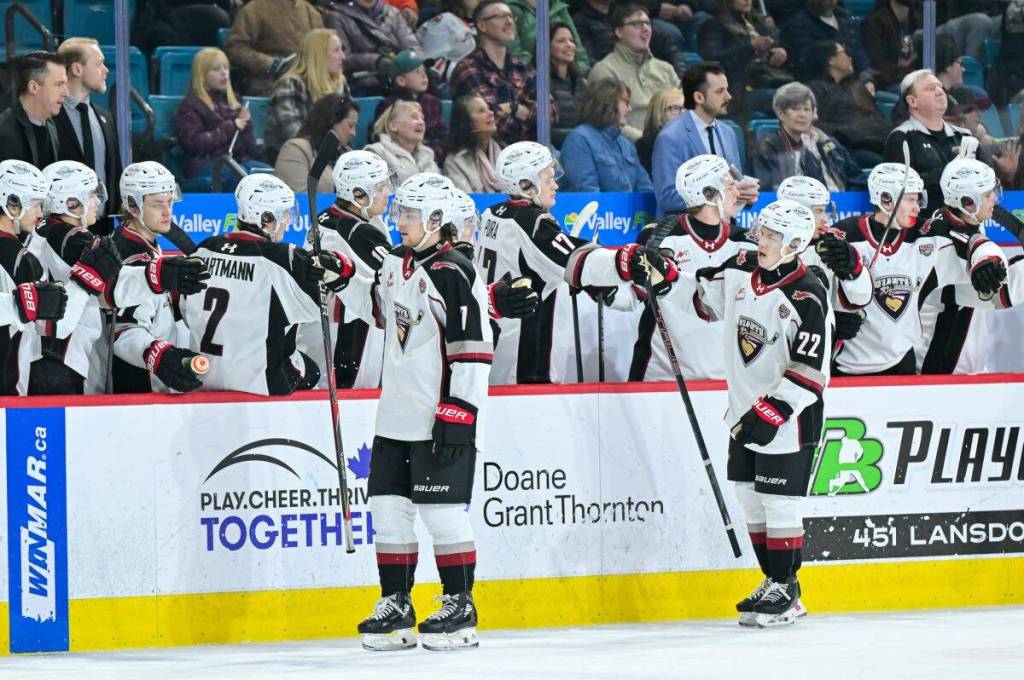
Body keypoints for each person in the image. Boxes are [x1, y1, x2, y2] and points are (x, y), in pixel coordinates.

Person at [631, 199, 829, 627]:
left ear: (795, 244)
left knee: (779, 503)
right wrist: (667, 277)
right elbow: (702, 299)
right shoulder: (741, 266)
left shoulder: (808, 294)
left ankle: (787, 589)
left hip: (788, 421)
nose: (762, 241)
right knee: (749, 497)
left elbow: (812, 369)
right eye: (763, 232)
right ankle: (773, 580)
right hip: (742, 411)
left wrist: (775, 409)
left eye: (773, 236)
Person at [338, 173, 492, 651]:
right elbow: (380, 312)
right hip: (395, 415)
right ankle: (397, 604)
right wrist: (338, 277)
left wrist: (461, 407)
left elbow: (473, 346)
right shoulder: (394, 262)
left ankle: (460, 605)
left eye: (408, 214)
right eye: (399, 211)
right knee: (388, 512)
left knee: (442, 514)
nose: (398, 220)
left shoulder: (455, 271)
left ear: (436, 219)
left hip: (438, 416)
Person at [30, 161, 207, 394]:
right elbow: (114, 296)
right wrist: (158, 275)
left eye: (170, 201)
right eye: (157, 203)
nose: (97, 202)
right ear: (70, 203)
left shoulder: (44, 231)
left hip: (48, 356)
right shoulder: (73, 239)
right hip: (68, 362)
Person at [180, 173, 350, 395]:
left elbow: (185, 311)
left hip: (204, 377)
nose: (287, 221)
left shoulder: (203, 249)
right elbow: (332, 310)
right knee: (312, 372)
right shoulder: (285, 258)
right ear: (266, 218)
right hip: (263, 385)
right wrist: (341, 270)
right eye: (284, 214)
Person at [827, 163, 1004, 376]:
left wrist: (986, 257)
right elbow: (815, 285)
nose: (918, 207)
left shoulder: (927, 234)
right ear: (886, 200)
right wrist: (832, 316)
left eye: (918, 199)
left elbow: (969, 238)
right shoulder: (845, 235)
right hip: (848, 364)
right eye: (910, 200)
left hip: (902, 362)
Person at [477, 141, 630, 384]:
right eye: (548, 180)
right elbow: (580, 262)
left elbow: (539, 262)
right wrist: (627, 260)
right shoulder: (534, 223)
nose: (555, 185)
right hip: (526, 364)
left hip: (494, 350)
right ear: (525, 185)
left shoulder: (490, 214)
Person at [629, 154, 753, 382]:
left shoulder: (747, 243)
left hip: (726, 379)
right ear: (708, 194)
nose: (737, 192)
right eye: (729, 186)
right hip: (661, 377)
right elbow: (637, 292)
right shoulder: (658, 237)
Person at [112, 162, 210, 394]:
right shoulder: (130, 257)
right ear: (133, 206)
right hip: (139, 390)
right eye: (157, 204)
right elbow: (123, 331)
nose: (168, 211)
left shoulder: (143, 243)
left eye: (170, 201)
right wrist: (161, 358)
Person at [304, 150, 395, 389]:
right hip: (350, 331)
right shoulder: (358, 232)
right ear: (358, 194)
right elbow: (399, 276)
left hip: (323, 328)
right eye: (381, 187)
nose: (388, 193)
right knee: (355, 399)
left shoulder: (327, 216)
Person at [916, 158, 1013, 375]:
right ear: (968, 203)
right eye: (987, 195)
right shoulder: (947, 244)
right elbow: (1006, 293)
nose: (994, 198)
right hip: (943, 374)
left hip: (966, 369)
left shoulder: (955, 219)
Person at [776, 175, 872, 347]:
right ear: (796, 212)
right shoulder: (766, 249)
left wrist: (835, 317)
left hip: (819, 353)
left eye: (824, 210)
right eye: (818, 211)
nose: (825, 219)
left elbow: (858, 301)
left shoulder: (831, 248)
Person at [0, 160, 68, 395]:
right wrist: (85, 282)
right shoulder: (23, 261)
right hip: (8, 390)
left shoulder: (25, 257)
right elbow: (50, 326)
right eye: (36, 204)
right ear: (12, 204)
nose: (40, 213)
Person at [652, 62, 751, 217]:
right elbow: (668, 197)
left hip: (725, 228)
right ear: (698, 97)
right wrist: (718, 194)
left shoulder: (729, 133)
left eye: (727, 89)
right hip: (686, 229)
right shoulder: (670, 137)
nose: (728, 96)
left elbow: (735, 182)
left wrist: (744, 195)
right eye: (720, 91)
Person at [450, 0, 545, 145]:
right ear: (482, 25)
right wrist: (530, 118)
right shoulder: (468, 68)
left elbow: (550, 112)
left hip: (533, 150)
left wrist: (513, 107)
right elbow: (494, 122)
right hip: (492, 151)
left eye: (511, 16)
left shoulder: (523, 67)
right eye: (500, 17)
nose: (509, 22)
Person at [175, 48, 271, 192]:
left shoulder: (235, 103)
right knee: (235, 175)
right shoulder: (190, 106)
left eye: (226, 68)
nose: (224, 73)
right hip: (204, 164)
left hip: (236, 161)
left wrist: (246, 128)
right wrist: (231, 127)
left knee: (267, 174)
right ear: (202, 75)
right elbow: (194, 144)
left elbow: (251, 150)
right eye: (216, 69)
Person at [54, 38, 123, 237]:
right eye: (99, 63)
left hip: (103, 230)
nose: (106, 70)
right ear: (77, 69)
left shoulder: (105, 117)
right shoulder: (50, 117)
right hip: (63, 231)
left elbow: (114, 174)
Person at [747, 82, 865, 192]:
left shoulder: (829, 145)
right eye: (795, 109)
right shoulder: (767, 148)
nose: (802, 114)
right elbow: (769, 191)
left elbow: (858, 181)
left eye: (807, 109)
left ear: (814, 114)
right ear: (781, 114)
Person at [587, 3, 680, 142]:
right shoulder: (604, 70)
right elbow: (607, 122)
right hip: (629, 148)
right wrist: (647, 142)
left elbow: (684, 112)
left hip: (671, 145)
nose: (645, 28)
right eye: (637, 24)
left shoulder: (666, 69)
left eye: (648, 23)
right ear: (619, 31)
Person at [883, 69, 972, 215]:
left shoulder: (964, 136)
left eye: (940, 87)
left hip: (964, 222)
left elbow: (988, 183)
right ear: (912, 101)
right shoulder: (901, 138)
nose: (940, 92)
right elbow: (900, 189)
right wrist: (951, 171)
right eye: (930, 89)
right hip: (923, 223)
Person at [264, 29, 349, 163]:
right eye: (336, 50)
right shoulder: (290, 85)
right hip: (292, 160)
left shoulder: (340, 84)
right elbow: (297, 136)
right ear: (319, 55)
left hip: (327, 158)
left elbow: (347, 132)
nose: (343, 57)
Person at [559, 79, 654, 193]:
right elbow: (587, 193)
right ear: (608, 103)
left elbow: (646, 190)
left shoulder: (627, 145)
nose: (630, 109)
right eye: (626, 103)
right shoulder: (579, 140)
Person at [804, 40, 891, 163]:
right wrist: (849, 131)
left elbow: (878, 119)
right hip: (848, 150)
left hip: (879, 142)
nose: (850, 58)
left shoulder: (857, 87)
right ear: (831, 60)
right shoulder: (815, 90)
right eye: (844, 53)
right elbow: (814, 124)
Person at [698, 0, 792, 113]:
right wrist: (751, 47)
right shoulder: (714, 26)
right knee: (790, 99)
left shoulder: (758, 23)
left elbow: (774, 43)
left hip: (768, 80)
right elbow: (713, 60)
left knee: (799, 94)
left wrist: (780, 51)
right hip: (737, 90)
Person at [320, 0, 423, 95]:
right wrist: (377, 61)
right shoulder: (336, 17)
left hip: (400, 77)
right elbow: (343, 57)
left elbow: (411, 43)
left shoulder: (392, 11)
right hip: (366, 83)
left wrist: (414, 61)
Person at [226, 0, 324, 96]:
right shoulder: (253, 9)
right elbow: (235, 48)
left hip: (312, 83)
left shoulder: (311, 12)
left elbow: (322, 49)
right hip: (271, 83)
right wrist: (269, 63)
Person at [275, 94, 359, 194]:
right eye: (350, 125)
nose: (354, 133)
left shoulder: (347, 154)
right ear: (332, 121)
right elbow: (301, 198)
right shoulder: (295, 150)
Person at [374, 50, 448, 161]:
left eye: (424, 70)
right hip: (398, 160)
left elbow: (442, 136)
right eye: (417, 71)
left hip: (430, 159)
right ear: (401, 80)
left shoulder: (433, 102)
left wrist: (432, 153)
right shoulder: (389, 105)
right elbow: (381, 137)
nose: (424, 75)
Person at [0, 52, 66, 169]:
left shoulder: (51, 126)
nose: (66, 93)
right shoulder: (3, 130)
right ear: (33, 87)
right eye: (59, 84)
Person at [778, 0, 867, 79]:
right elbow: (807, 62)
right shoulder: (799, 24)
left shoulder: (846, 20)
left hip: (852, 82)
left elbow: (859, 55)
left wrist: (867, 79)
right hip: (823, 85)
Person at [364, 100, 441, 185]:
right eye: (414, 117)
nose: (421, 122)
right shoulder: (376, 153)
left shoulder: (427, 154)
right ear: (393, 125)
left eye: (422, 118)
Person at [507, 0, 589, 74]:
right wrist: (536, 73)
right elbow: (515, 52)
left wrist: (581, 72)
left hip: (566, 75)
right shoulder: (511, 8)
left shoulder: (558, 6)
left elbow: (578, 49)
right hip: (532, 76)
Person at [442, 95, 504, 193]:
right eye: (481, 111)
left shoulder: (505, 153)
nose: (491, 113)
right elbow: (466, 200)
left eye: (489, 109)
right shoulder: (455, 162)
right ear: (466, 121)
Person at [549, 22, 586, 149]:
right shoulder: (540, 81)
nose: (569, 45)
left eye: (571, 40)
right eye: (561, 41)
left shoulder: (581, 82)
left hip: (580, 146)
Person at [635, 87, 683, 175]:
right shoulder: (644, 148)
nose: (683, 113)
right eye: (675, 108)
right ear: (659, 117)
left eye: (685, 108)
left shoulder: (691, 142)